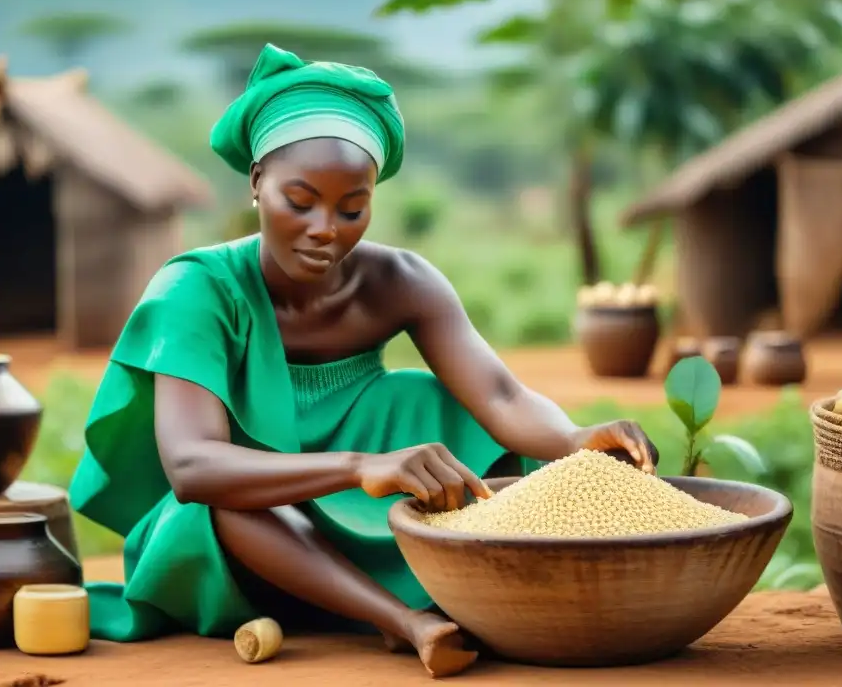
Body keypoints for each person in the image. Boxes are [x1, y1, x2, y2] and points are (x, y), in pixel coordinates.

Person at [68, 43, 659, 678]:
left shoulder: (400, 281)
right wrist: (359, 467)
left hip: (367, 522)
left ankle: (474, 589)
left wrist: (573, 440)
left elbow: (501, 398)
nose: (327, 228)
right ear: (257, 181)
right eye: (301, 200)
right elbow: (191, 468)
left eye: (352, 208)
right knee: (228, 497)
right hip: (234, 549)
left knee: (431, 402)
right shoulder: (198, 291)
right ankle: (404, 620)